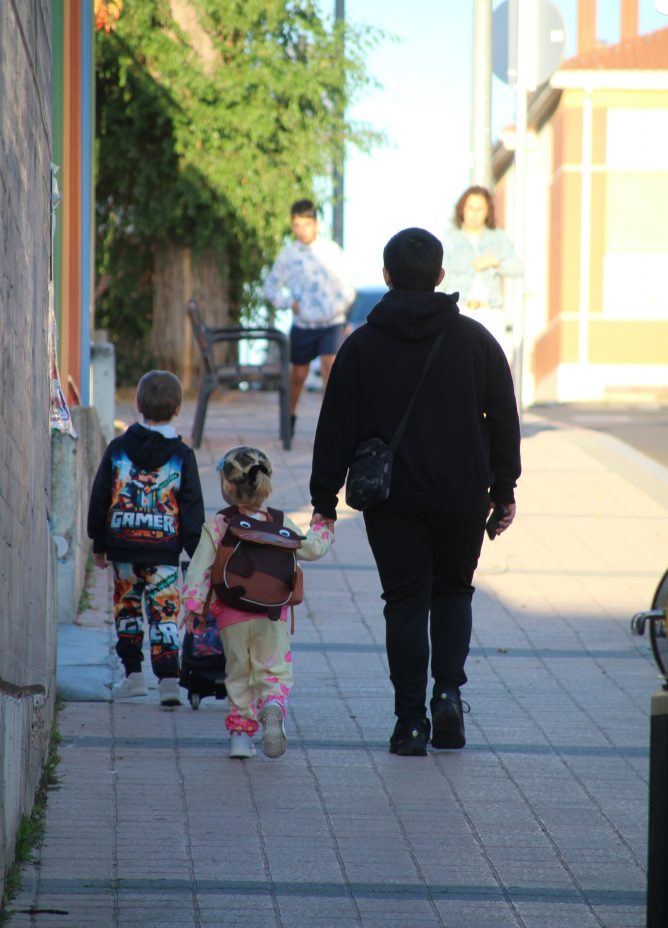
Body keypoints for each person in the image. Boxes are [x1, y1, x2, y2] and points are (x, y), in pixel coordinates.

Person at [310, 228, 521, 756]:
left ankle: (410, 723)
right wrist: (504, 487)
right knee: (454, 591)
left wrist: (322, 502)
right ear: (442, 277)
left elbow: (335, 426)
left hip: (393, 499)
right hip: (462, 493)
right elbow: (503, 419)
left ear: (386, 277)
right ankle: (447, 693)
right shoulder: (477, 342)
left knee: (405, 603)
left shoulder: (360, 346)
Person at [181, 446, 334, 759]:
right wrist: (324, 526)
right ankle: (274, 705)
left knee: (238, 674)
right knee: (272, 670)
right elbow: (313, 549)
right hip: (272, 614)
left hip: (231, 616)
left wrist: (194, 610)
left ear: (227, 486)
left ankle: (240, 739)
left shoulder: (219, 525)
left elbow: (198, 570)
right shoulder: (280, 522)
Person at [88, 370, 205, 706]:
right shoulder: (182, 456)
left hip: (124, 548)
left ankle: (134, 677)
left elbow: (100, 497)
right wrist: (196, 553)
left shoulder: (118, 449)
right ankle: (169, 681)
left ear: (138, 405)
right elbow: (192, 507)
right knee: (164, 612)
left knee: (127, 609)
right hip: (164, 552)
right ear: (179, 408)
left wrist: (99, 543)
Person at [264, 199, 356, 436]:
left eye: (306, 224)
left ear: (315, 224)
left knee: (331, 369)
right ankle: (289, 420)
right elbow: (271, 287)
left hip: (331, 323)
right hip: (303, 324)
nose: (301, 230)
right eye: (296, 225)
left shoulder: (331, 251)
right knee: (298, 375)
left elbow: (347, 285)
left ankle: (332, 425)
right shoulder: (288, 254)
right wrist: (289, 304)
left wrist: (339, 307)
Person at [441, 185, 523, 353]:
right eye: (470, 208)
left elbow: (518, 269)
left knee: (492, 367)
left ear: (488, 212)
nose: (474, 213)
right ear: (462, 209)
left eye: (480, 209)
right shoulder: (449, 239)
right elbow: (441, 278)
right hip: (459, 309)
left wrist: (495, 262)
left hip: (490, 311)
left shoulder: (498, 238)